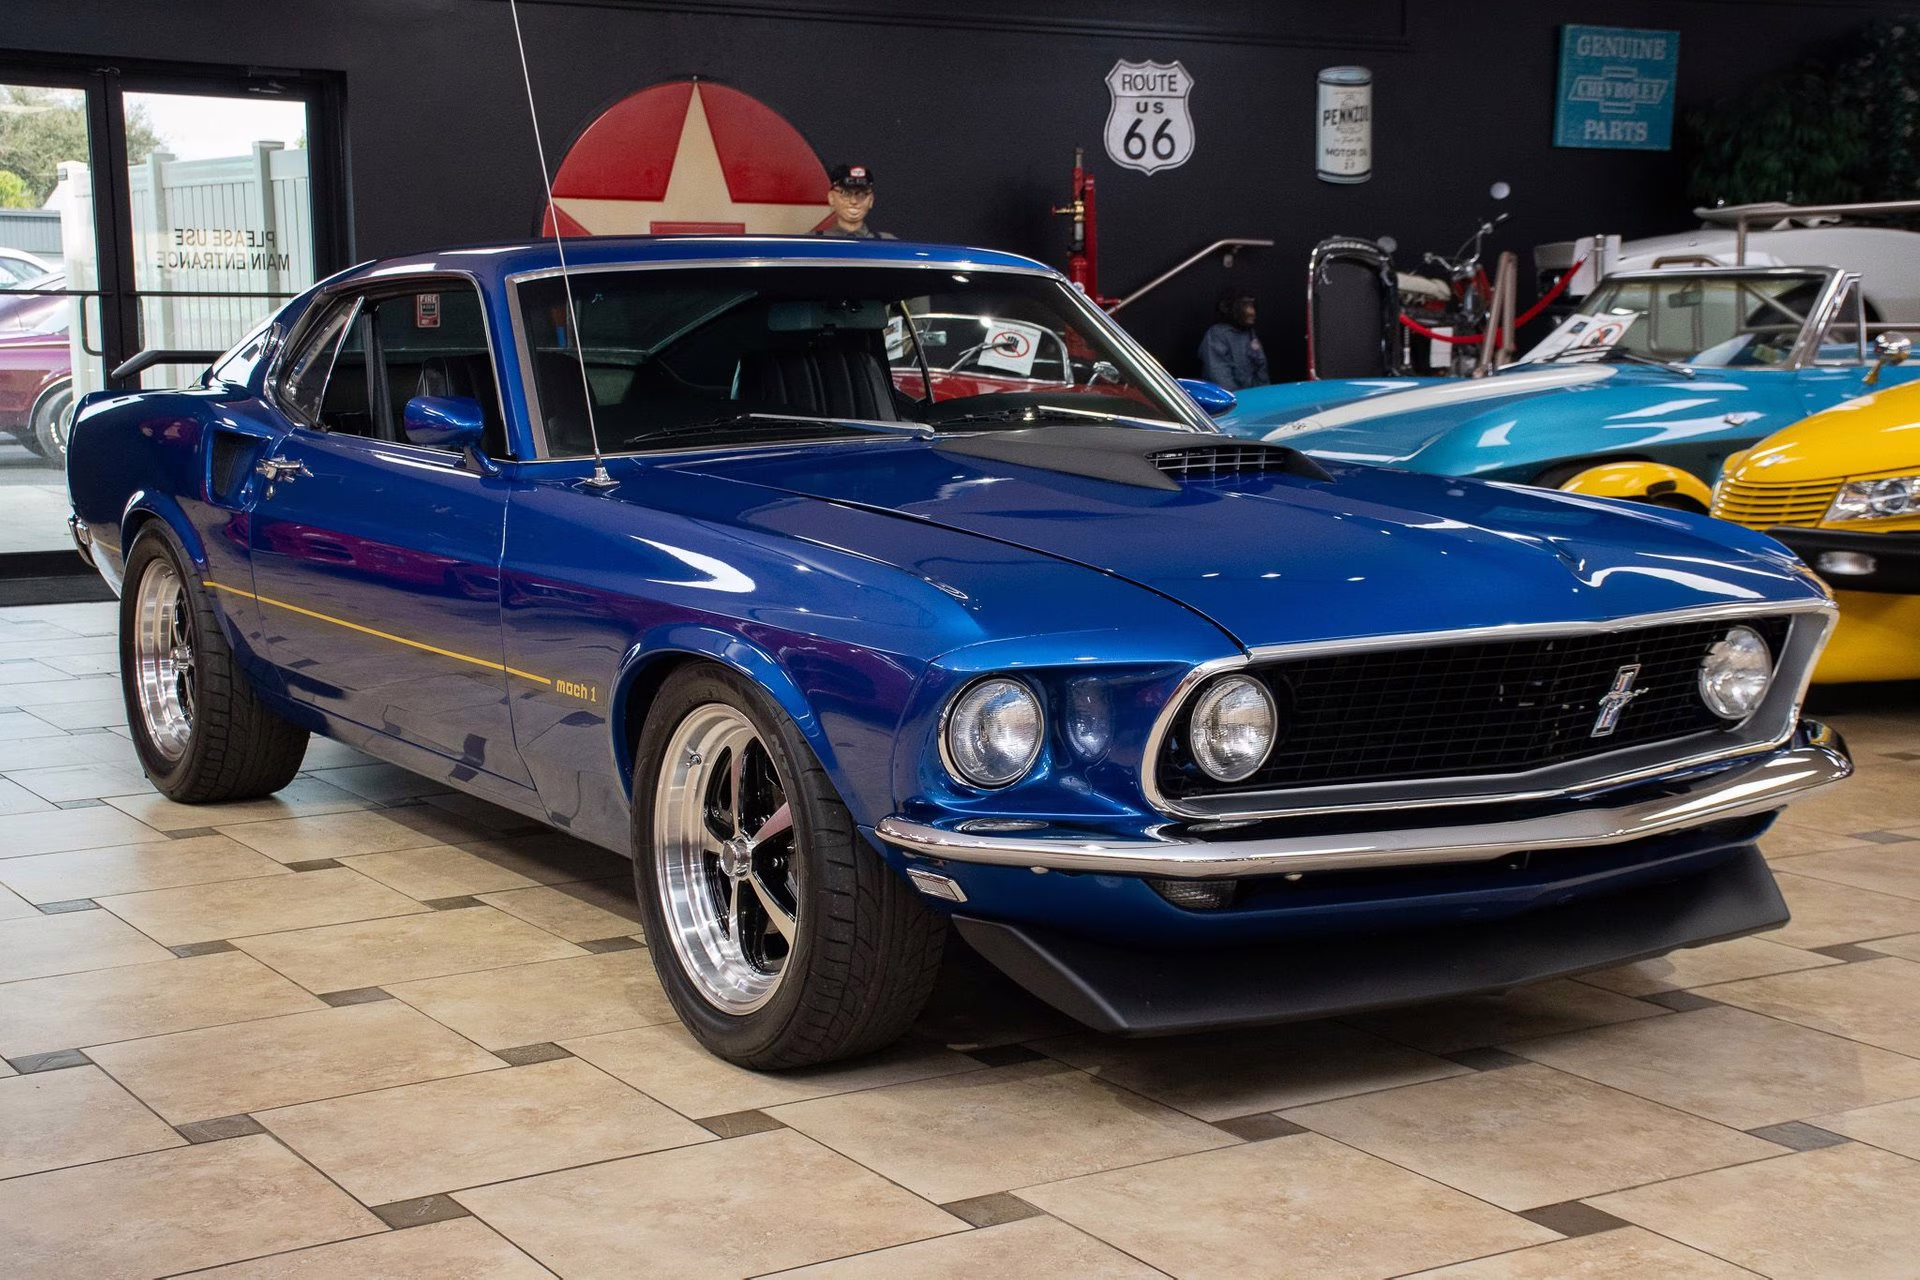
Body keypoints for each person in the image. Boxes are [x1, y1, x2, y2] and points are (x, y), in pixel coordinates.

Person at [1198, 292, 1270, 389]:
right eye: (1246, 306)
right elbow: (1219, 375)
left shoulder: (1249, 334)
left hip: (1253, 395)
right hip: (1232, 398)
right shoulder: (1217, 334)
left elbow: (1261, 369)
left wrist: (1263, 393)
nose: (1252, 312)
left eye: (1252, 306)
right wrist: (1239, 399)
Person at [814, 164, 896, 240]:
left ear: (871, 200)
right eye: (845, 194)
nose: (854, 201)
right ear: (831, 198)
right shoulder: (812, 242)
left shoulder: (888, 244)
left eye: (861, 194)